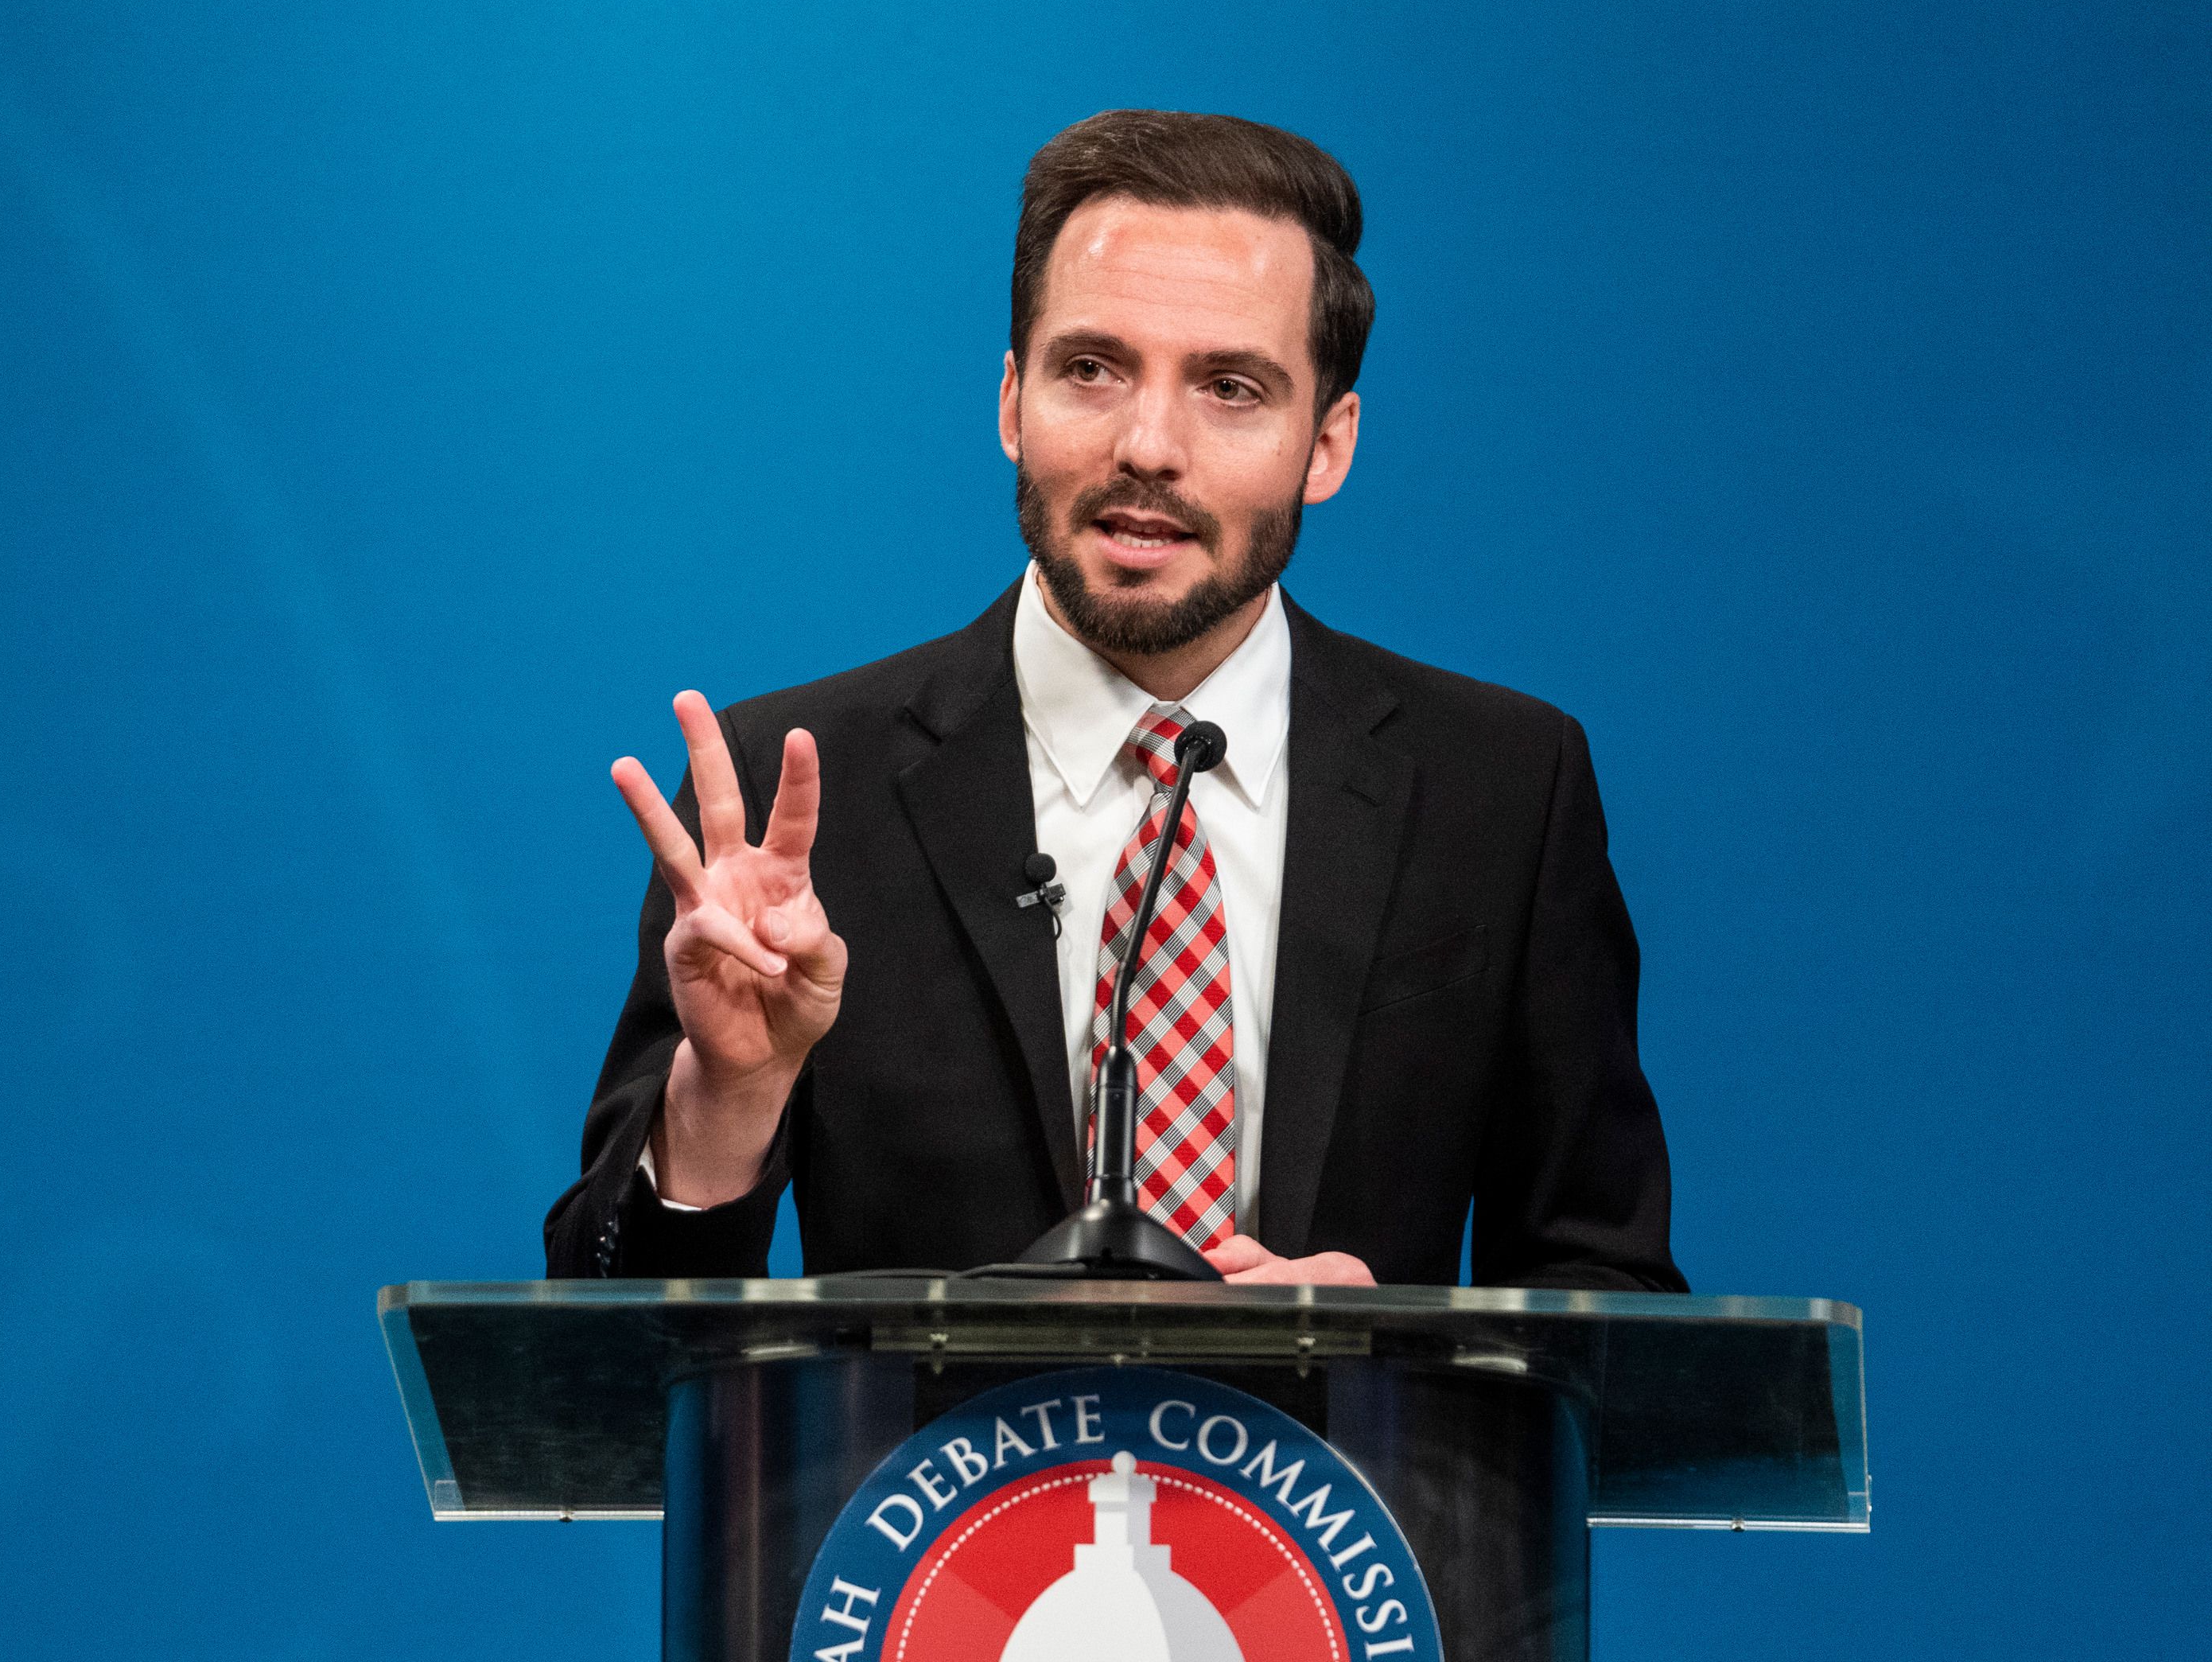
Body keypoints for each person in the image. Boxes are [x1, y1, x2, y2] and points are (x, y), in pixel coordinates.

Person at [545, 111, 1683, 1291]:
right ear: (1011, 403)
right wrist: (728, 1102)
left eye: (1232, 387)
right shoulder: (798, 794)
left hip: (1342, 1483)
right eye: (1092, 369)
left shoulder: (1500, 789)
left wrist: (1410, 1367)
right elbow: (604, 1369)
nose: (1149, 446)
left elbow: (1614, 1312)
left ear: (1327, 445)